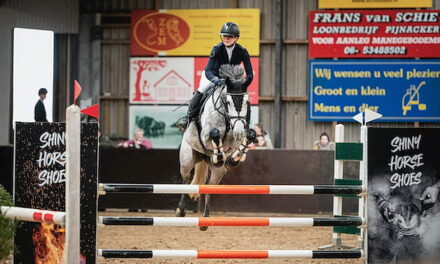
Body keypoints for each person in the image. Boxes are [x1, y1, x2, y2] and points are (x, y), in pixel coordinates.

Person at [176, 22, 253, 131]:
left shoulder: (242, 51)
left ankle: (247, 128)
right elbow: (208, 70)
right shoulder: (217, 48)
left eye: (229, 36)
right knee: (202, 89)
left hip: (231, 79)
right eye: (224, 36)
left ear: (236, 38)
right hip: (213, 75)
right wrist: (216, 80)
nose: (226, 38)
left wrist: (243, 84)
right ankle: (188, 118)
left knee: (244, 98)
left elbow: (249, 74)